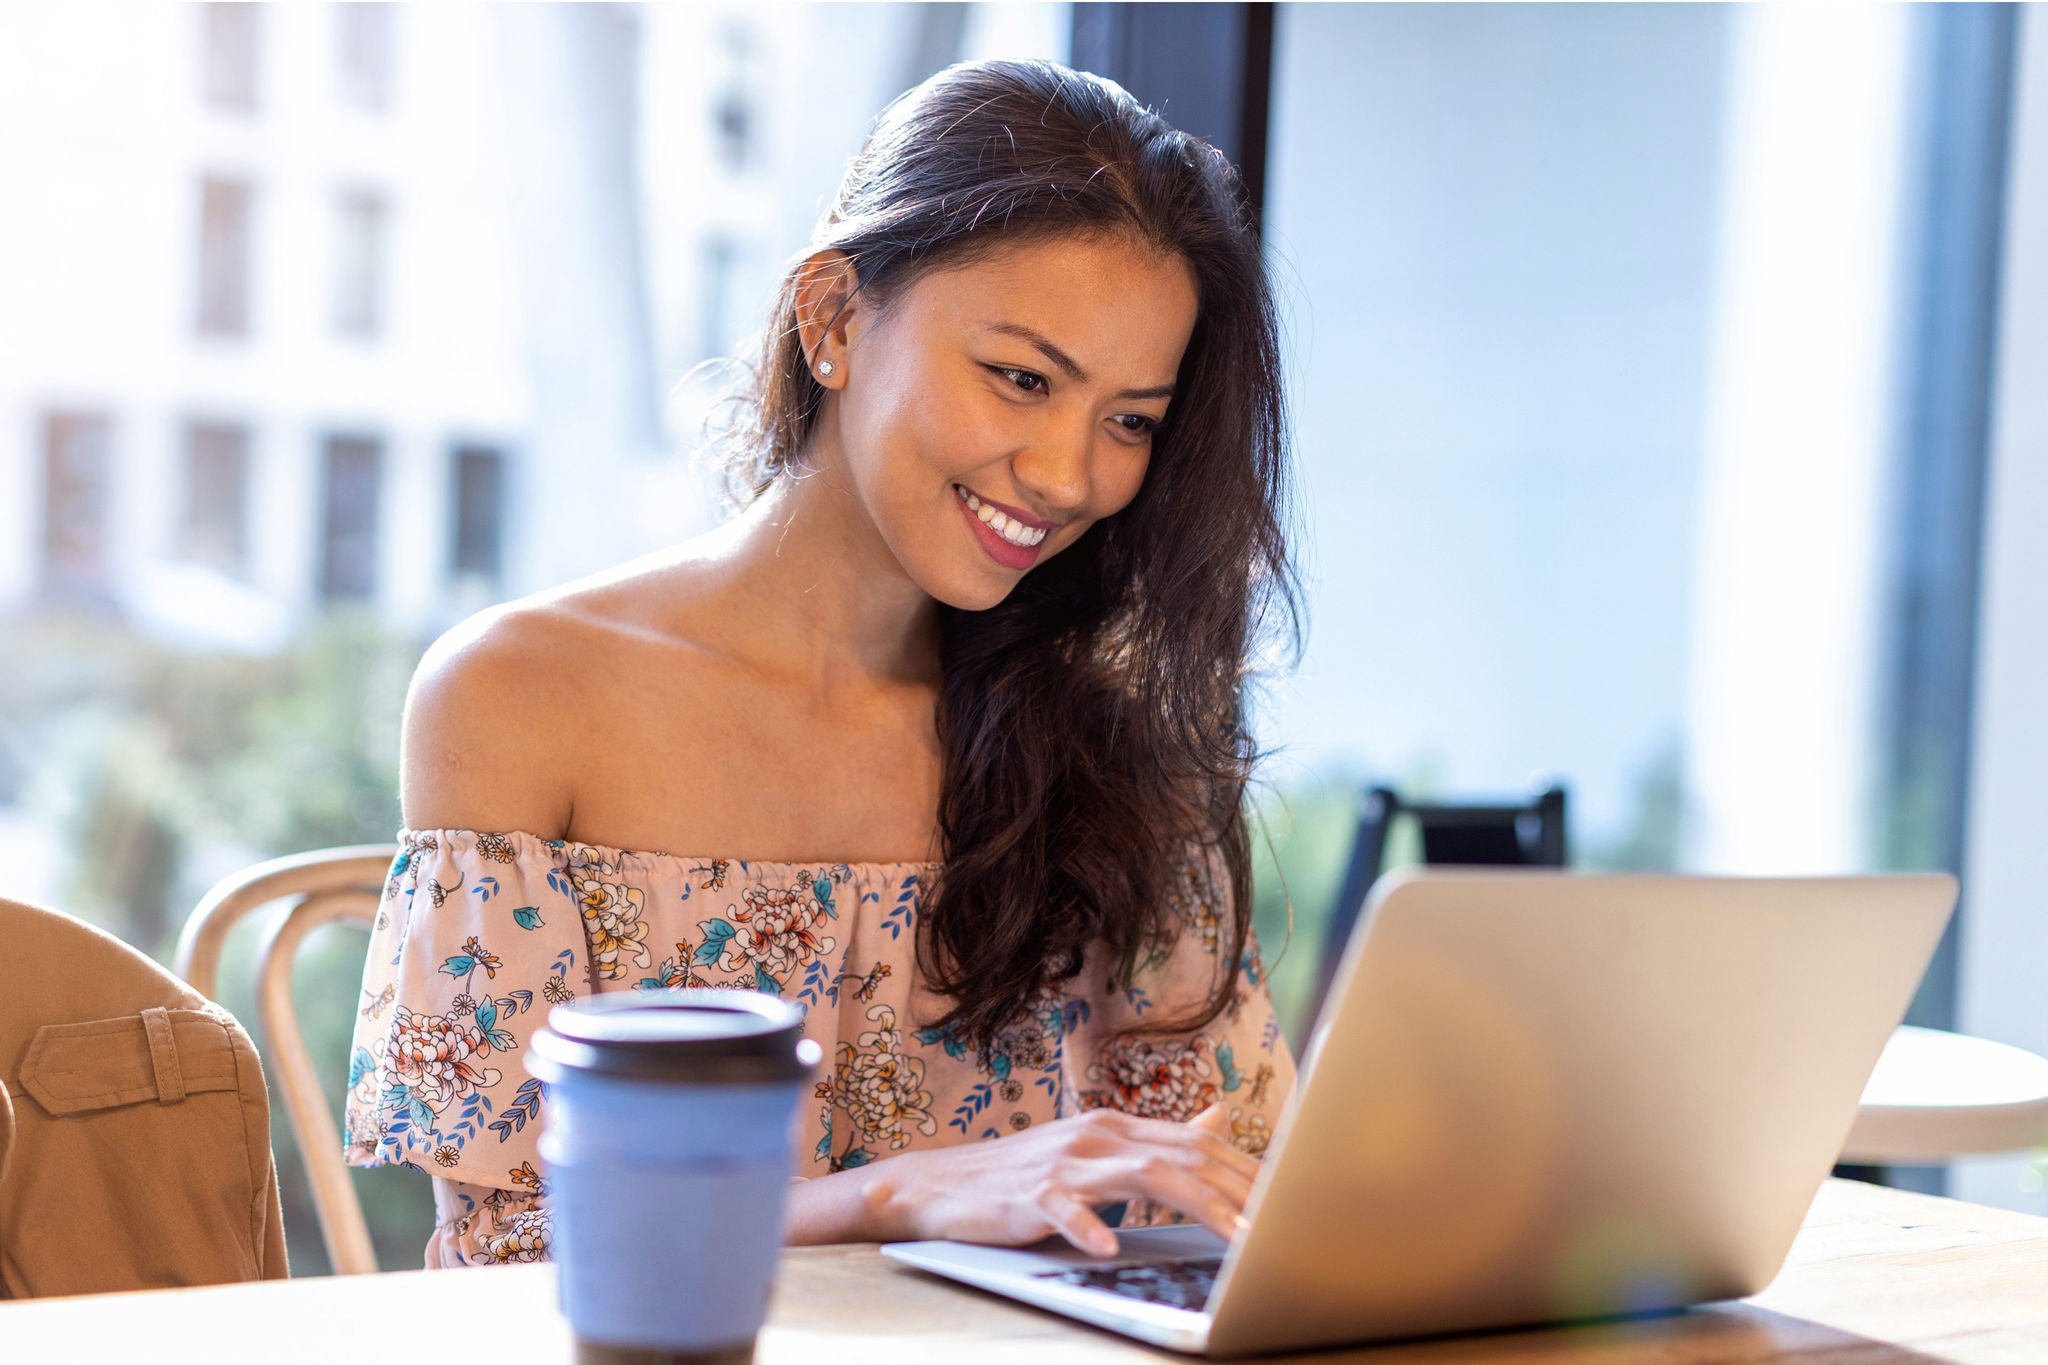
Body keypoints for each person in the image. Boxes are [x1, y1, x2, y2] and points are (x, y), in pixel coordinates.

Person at [343, 56, 1302, 1269]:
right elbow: (515, 1252)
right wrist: (899, 1197)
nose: (1068, 476)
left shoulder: (1108, 733)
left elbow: (1215, 1191)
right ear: (833, 319)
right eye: (1019, 378)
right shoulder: (522, 696)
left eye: (1129, 422)